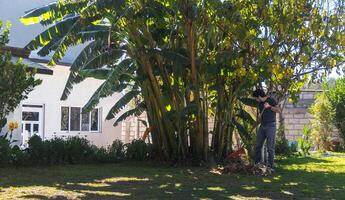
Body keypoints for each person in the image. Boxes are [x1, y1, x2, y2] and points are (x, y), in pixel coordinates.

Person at [252, 89, 281, 169]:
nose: (256, 100)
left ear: (259, 96)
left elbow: (279, 110)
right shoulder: (260, 104)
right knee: (258, 145)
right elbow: (261, 115)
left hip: (271, 126)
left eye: (256, 98)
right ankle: (256, 164)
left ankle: (271, 166)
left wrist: (269, 107)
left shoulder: (271, 100)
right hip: (262, 126)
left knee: (270, 147)